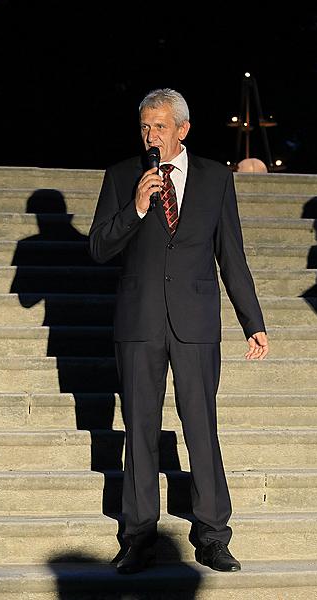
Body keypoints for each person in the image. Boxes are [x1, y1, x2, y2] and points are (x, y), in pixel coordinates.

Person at [89, 88, 269, 574]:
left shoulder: (214, 178)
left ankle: (212, 535)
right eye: (145, 127)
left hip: (195, 323)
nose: (151, 136)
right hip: (139, 322)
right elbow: (99, 246)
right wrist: (137, 209)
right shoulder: (124, 175)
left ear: (183, 129)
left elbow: (232, 255)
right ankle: (138, 537)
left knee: (201, 429)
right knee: (140, 430)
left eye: (161, 126)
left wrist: (252, 322)